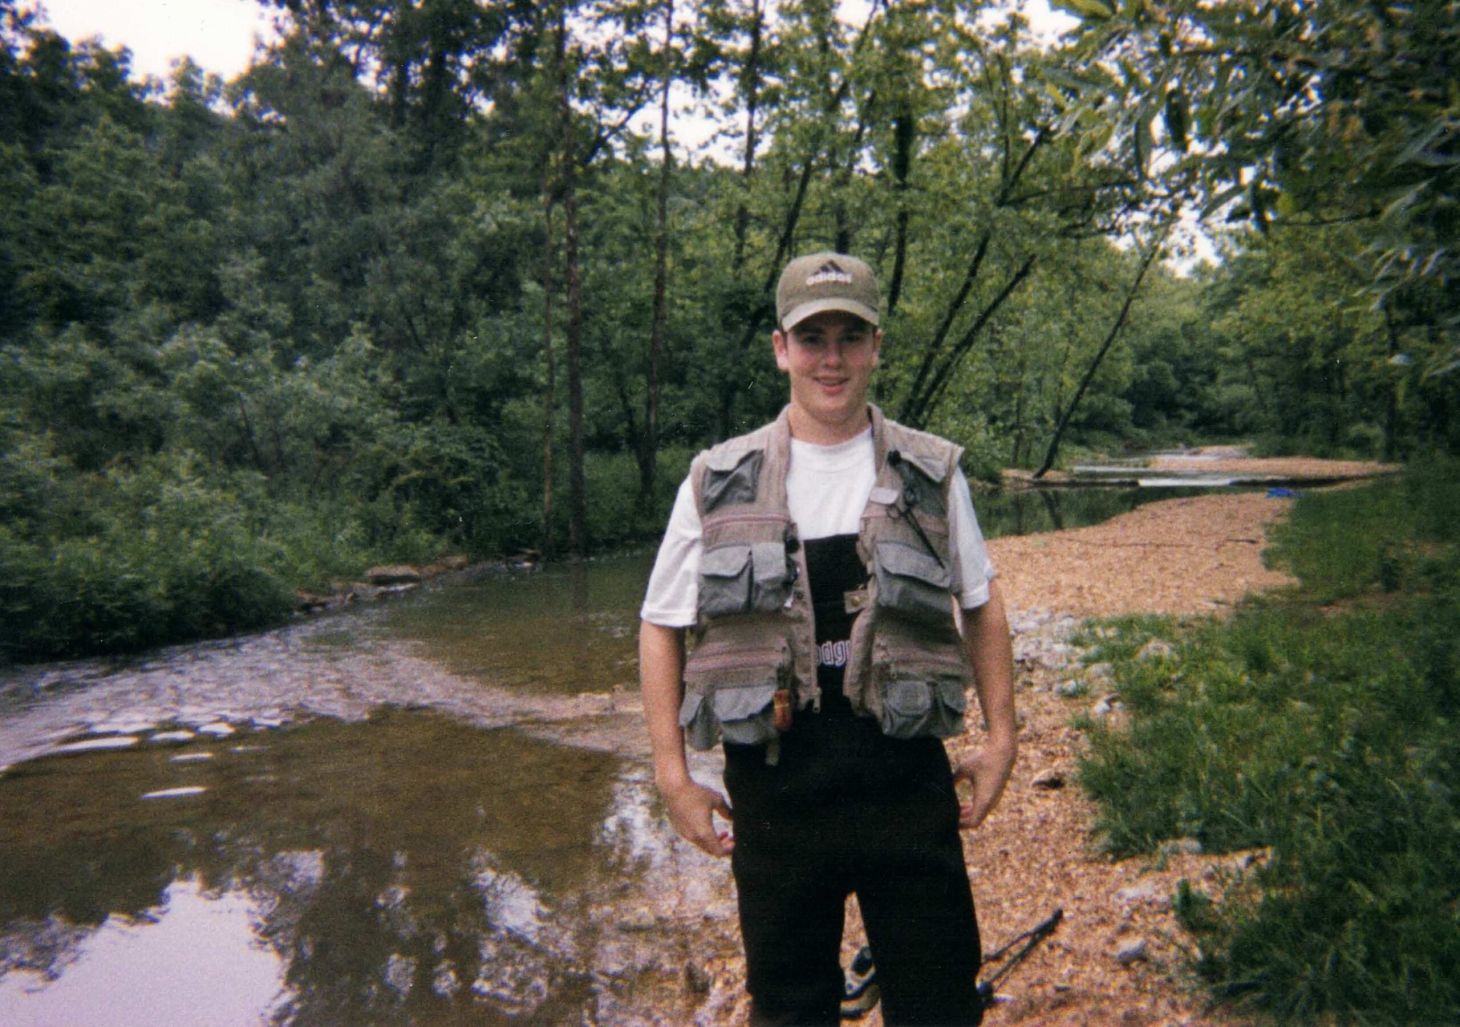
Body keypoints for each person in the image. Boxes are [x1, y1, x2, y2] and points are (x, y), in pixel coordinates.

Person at [639, 252, 1017, 1025]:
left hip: (905, 787)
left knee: (940, 1003)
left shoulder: (933, 473)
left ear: (876, 345)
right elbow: (661, 622)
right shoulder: (716, 480)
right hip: (778, 797)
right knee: (789, 1010)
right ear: (782, 348)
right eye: (813, 337)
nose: (832, 358)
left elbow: (980, 601)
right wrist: (673, 774)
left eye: (851, 335)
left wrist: (1003, 736)